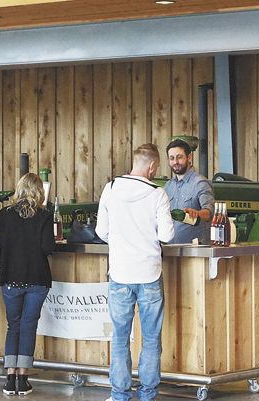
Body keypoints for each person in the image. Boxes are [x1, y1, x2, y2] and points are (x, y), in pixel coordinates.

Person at [95, 144, 175, 401]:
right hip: (149, 274)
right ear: (152, 167)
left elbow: (101, 231)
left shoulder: (111, 188)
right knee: (151, 339)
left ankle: (119, 394)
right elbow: (167, 235)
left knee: (120, 338)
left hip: (119, 273)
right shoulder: (157, 194)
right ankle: (148, 394)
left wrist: (121, 241)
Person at [0, 173, 55, 396]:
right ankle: (23, 379)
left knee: (13, 326)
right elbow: (49, 248)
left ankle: (10, 378)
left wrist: (1, 264)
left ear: (18, 189)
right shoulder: (44, 216)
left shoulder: (4, 215)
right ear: (40, 192)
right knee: (29, 326)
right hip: (37, 278)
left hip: (10, 279)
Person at [163, 139, 215, 244]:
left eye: (179, 157)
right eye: (172, 158)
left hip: (194, 252)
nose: (175, 162)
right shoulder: (168, 186)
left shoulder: (200, 183)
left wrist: (197, 213)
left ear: (189, 157)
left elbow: (210, 212)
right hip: (169, 249)